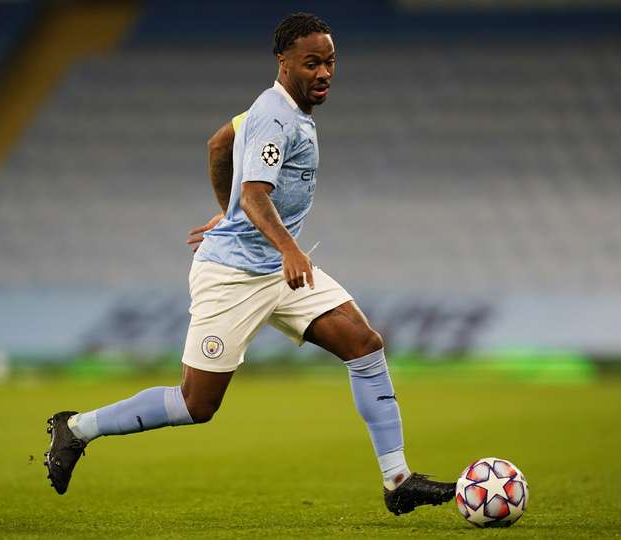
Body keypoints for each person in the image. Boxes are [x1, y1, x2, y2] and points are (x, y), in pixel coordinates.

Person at [44, 12, 455, 515]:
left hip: (276, 269)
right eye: (312, 63)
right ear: (283, 63)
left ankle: (398, 480)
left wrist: (228, 209)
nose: (324, 72)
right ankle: (78, 428)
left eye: (330, 62)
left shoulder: (276, 111)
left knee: (364, 345)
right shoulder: (274, 117)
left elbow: (218, 144)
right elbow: (258, 194)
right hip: (236, 276)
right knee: (197, 405)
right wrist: (281, 242)